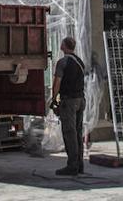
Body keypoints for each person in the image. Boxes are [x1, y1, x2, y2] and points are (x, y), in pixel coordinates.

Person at [50, 35, 86, 176]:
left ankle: (72, 166)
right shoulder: (79, 62)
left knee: (69, 133)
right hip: (80, 100)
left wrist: (54, 99)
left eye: (62, 43)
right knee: (77, 132)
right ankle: (79, 165)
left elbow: (57, 83)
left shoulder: (62, 62)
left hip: (69, 101)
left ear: (64, 46)